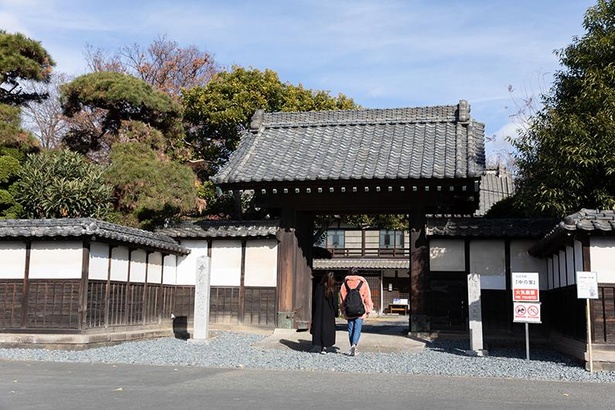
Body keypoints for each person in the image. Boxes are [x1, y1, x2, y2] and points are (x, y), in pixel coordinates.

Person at [339, 268, 373, 356]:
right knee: (357, 328)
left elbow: (342, 298)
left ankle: (352, 347)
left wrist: (343, 309)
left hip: (349, 309)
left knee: (350, 328)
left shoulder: (345, 284)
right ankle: (354, 346)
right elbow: (367, 297)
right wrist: (368, 309)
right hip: (360, 309)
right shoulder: (363, 283)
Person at [310, 271, 339, 354]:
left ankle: (318, 346)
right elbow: (334, 302)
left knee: (318, 328)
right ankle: (327, 346)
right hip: (329, 312)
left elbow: (315, 299)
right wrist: (336, 312)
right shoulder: (333, 288)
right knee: (328, 329)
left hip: (319, 311)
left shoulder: (319, 286)